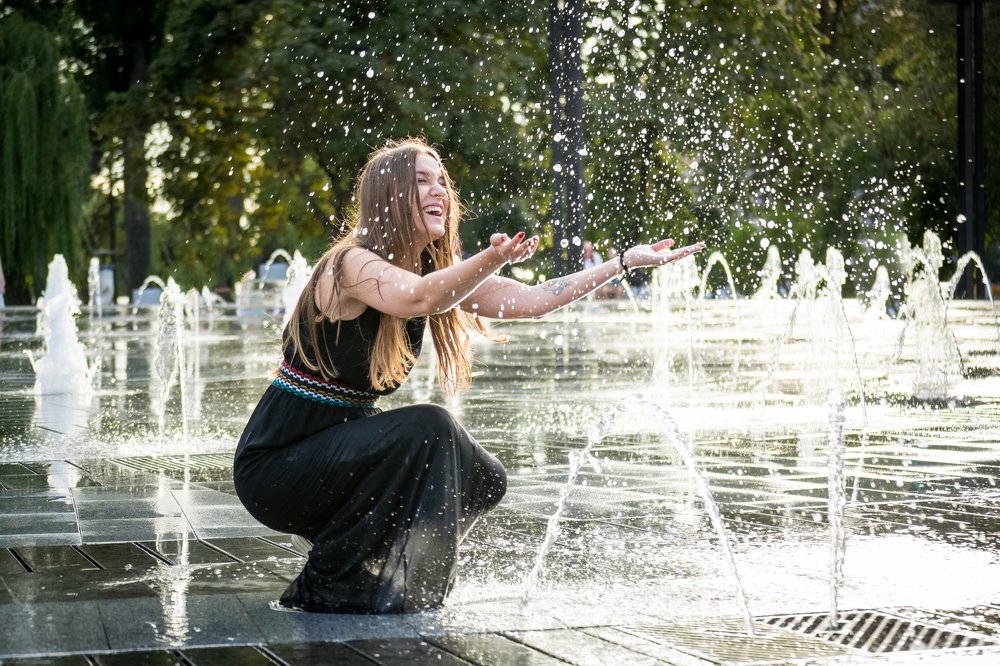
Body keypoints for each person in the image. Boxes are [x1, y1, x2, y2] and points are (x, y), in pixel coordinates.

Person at [232, 137, 705, 614]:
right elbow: (419, 298)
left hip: (337, 455)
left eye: (441, 181)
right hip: (278, 464)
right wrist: (492, 258)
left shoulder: (432, 271)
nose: (438, 191)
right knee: (431, 427)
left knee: (482, 478)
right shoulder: (351, 265)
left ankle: (381, 573)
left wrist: (622, 263)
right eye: (421, 181)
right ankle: (335, 582)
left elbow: (536, 299)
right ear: (389, 196)